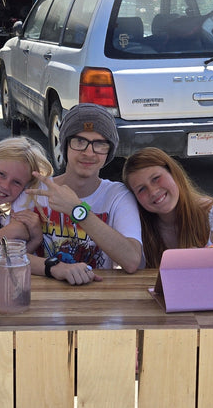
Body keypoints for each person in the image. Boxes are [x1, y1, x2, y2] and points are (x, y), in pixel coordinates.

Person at [15, 103, 143, 285]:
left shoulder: (117, 195)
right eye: (80, 142)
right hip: (38, 296)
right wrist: (53, 267)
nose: (89, 152)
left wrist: (77, 210)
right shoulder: (34, 191)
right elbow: (4, 253)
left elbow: (131, 260)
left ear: (109, 152)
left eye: (100, 144)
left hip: (97, 299)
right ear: (65, 145)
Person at [122, 147, 213, 266]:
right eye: (141, 189)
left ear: (174, 173)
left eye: (156, 178)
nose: (153, 191)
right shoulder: (135, 227)